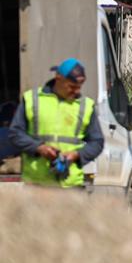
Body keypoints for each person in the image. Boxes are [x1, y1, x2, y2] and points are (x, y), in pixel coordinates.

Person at [8, 58, 103, 189]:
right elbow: (15, 133)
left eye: (79, 87)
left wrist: (76, 155)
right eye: (72, 86)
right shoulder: (32, 99)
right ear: (58, 78)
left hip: (71, 185)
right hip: (36, 184)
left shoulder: (86, 106)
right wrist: (39, 148)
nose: (76, 91)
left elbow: (97, 142)